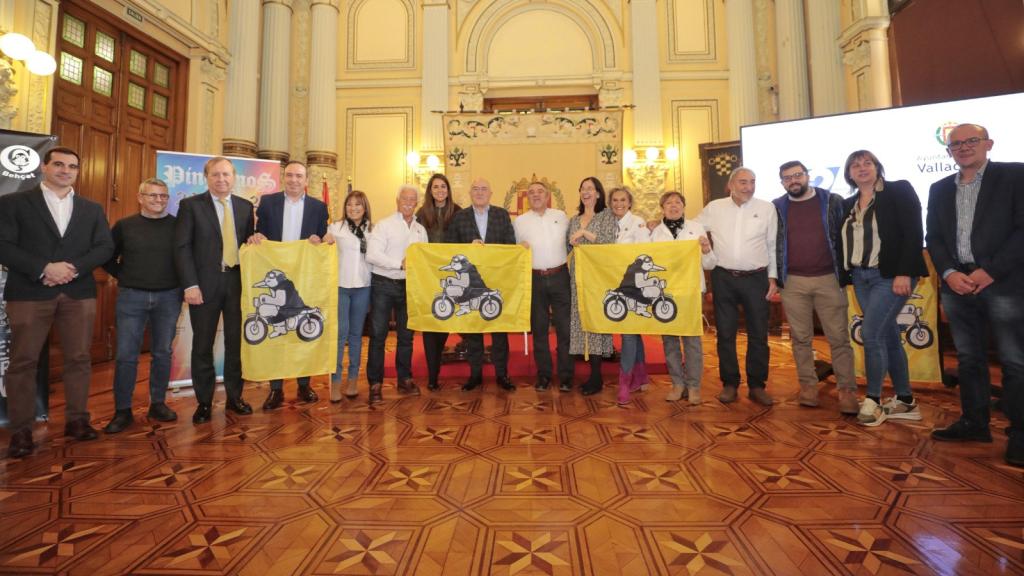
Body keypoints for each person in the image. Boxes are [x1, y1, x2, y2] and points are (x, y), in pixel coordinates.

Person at [0, 147, 114, 458]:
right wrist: (44, 268)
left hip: (79, 292)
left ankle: (77, 421)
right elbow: (3, 244)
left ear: (78, 171)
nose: (66, 170)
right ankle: (21, 431)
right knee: (23, 362)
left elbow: (105, 246)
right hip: (29, 292)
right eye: (59, 164)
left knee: (78, 358)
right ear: (45, 168)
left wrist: (72, 268)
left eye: (73, 166)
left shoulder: (91, 209)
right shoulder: (14, 203)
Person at [926, 123, 1024, 467]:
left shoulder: (1015, 176)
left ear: (988, 144)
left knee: (1015, 361)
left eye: (971, 141)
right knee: (968, 359)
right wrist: (950, 273)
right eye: (956, 144)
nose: (964, 147)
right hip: (958, 284)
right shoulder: (939, 188)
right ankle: (975, 422)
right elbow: (934, 237)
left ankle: (1020, 433)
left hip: (1005, 282)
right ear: (949, 151)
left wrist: (991, 270)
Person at [839, 150, 928, 426]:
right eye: (855, 165)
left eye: (867, 163)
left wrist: (905, 271)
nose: (862, 168)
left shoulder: (898, 190)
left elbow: (914, 232)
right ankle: (905, 400)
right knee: (887, 334)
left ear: (878, 167)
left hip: (890, 276)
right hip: (861, 277)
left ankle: (873, 400)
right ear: (849, 174)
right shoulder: (848, 203)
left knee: (871, 333)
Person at [773, 161, 859, 415]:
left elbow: (848, 235)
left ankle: (847, 390)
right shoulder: (777, 207)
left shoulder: (832, 201)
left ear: (807, 176)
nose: (793, 181)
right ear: (782, 182)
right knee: (800, 338)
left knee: (839, 339)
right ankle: (808, 386)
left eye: (797, 175)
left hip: (828, 279)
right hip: (793, 282)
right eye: (787, 178)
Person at [175, 156, 255, 424]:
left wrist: (256, 239)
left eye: (226, 174)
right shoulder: (190, 206)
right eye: (216, 175)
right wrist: (190, 284)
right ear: (206, 178)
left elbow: (248, 245)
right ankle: (204, 402)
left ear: (234, 178)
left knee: (235, 344)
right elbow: (182, 247)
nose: (221, 179)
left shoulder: (245, 207)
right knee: (202, 344)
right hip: (203, 286)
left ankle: (235, 398)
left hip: (237, 284)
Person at [102, 178, 182, 434]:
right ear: (140, 197)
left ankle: (157, 404)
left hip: (169, 297)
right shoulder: (125, 226)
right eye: (152, 196)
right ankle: (122, 410)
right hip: (131, 297)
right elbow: (107, 257)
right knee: (126, 355)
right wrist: (124, 276)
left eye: (163, 196)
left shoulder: (178, 226)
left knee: (162, 352)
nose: (158, 200)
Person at [248, 160, 328, 410]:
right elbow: (258, 233)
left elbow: (323, 238)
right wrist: (257, 236)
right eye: (290, 175)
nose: (294, 180)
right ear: (284, 178)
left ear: (306, 181)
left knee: (301, 333)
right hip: (275, 275)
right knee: (275, 331)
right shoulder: (268, 202)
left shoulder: (318, 207)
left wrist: (320, 240)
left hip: (304, 277)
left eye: (299, 176)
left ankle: (304, 384)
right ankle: (276, 389)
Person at [697, 167, 777, 406]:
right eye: (743, 182)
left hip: (757, 278)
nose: (749, 187)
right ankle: (729, 384)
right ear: (731, 185)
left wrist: (773, 278)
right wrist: (657, 224)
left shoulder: (766, 208)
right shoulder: (714, 207)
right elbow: (690, 227)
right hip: (724, 278)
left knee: (758, 335)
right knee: (725, 333)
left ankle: (757, 385)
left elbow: (772, 244)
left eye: (752, 182)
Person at [445, 177, 517, 392]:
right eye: (475, 189)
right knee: (473, 329)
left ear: (491, 193)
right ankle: (475, 374)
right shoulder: (459, 217)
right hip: (470, 282)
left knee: (499, 331)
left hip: (496, 281)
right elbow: (450, 247)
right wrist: (468, 247)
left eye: (483, 189)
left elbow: (510, 245)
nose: (479, 192)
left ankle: (502, 374)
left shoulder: (501, 215)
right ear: (470, 193)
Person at [648, 191, 716, 406]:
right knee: (669, 340)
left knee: (692, 339)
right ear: (662, 208)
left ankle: (694, 385)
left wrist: (706, 250)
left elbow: (710, 264)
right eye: (669, 202)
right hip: (666, 294)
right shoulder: (655, 233)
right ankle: (678, 383)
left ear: (684, 207)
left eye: (678, 202)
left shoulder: (696, 229)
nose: (673, 206)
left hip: (691, 290)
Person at [365, 185, 428, 403]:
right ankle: (375, 383)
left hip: (409, 287)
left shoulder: (421, 230)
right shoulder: (384, 225)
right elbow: (372, 255)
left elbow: (423, 258)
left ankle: (405, 379)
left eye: (413, 199)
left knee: (406, 337)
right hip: (383, 284)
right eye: (405, 198)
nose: (409, 202)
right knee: (378, 335)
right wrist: (399, 265)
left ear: (417, 203)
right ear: (397, 200)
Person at [514, 181, 572, 392]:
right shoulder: (519, 222)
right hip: (534, 279)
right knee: (539, 330)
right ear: (527, 197)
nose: (536, 195)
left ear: (548, 195)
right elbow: (513, 251)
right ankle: (544, 375)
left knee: (565, 329)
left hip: (560, 277)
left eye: (540, 191)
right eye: (531, 192)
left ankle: (566, 376)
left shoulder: (561, 216)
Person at [567, 176, 618, 396]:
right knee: (582, 323)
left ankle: (597, 376)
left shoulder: (607, 215)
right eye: (582, 188)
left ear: (598, 193)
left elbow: (609, 241)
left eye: (590, 188)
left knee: (596, 323)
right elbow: (565, 245)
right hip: (578, 278)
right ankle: (590, 373)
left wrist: (585, 233)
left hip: (599, 278)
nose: (586, 192)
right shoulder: (573, 219)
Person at [327, 190, 373, 401]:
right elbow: (323, 251)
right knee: (340, 335)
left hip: (363, 287)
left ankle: (353, 380)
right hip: (340, 287)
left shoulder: (373, 230)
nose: (353, 208)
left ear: (365, 207)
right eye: (349, 204)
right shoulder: (335, 228)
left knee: (356, 335)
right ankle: (335, 381)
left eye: (358, 205)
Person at [416, 174, 461, 391]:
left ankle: (439, 367)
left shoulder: (459, 212)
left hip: (450, 275)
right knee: (429, 324)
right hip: (427, 276)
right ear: (430, 190)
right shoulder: (422, 213)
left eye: (443, 186)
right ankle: (432, 375)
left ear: (448, 189)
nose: (440, 190)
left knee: (444, 320)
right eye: (436, 187)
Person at [608, 186, 651, 403]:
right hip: (615, 282)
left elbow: (643, 253)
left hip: (633, 285)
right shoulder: (607, 223)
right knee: (633, 331)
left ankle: (624, 381)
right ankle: (641, 376)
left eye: (623, 200)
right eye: (615, 200)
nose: (618, 203)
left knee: (628, 331)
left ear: (630, 202)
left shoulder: (638, 222)